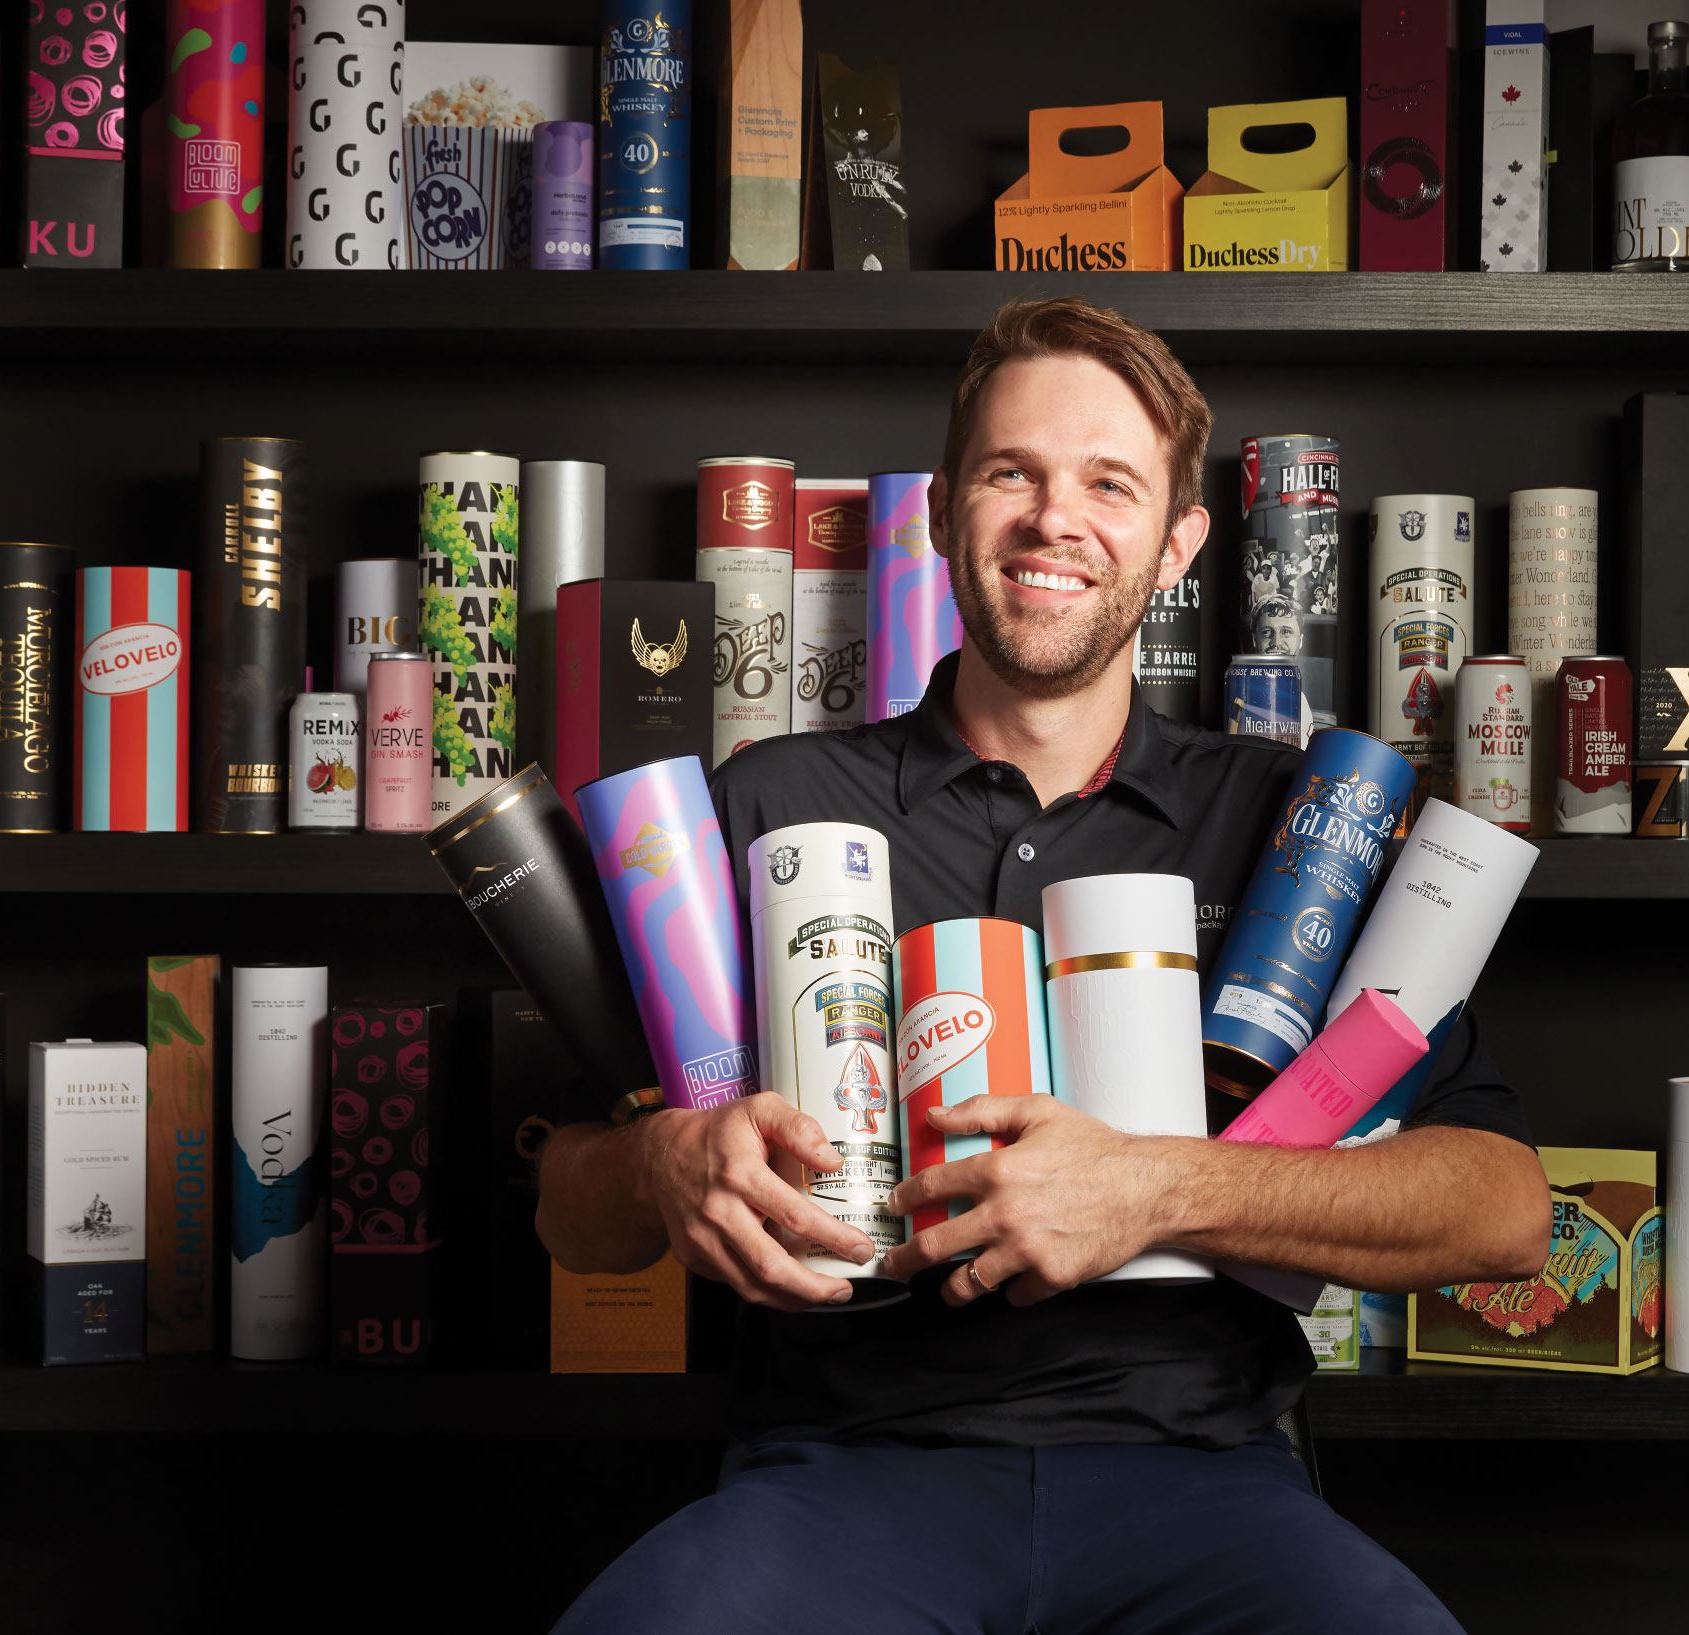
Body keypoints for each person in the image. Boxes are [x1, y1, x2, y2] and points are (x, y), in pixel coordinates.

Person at [541, 296, 1549, 1634]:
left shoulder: (1295, 821)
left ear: (1179, 541)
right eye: (1012, 474)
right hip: (841, 1480)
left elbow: (1500, 1211)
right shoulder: (771, 800)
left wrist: (1150, 1187)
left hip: (1205, 1488)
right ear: (944, 507)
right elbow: (569, 1211)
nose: (1052, 520)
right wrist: (664, 1164)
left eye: (1110, 485)